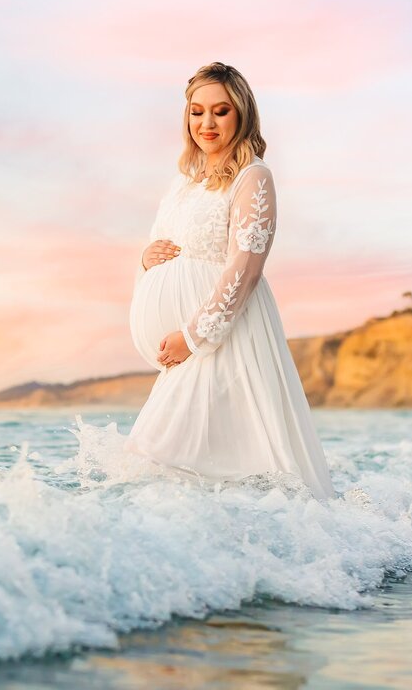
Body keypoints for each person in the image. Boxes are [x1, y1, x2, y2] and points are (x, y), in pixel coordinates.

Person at [125, 61, 337, 500]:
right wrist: (147, 260)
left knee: (170, 458)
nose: (207, 122)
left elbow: (245, 269)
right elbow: (165, 245)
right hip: (189, 351)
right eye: (196, 111)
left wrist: (194, 336)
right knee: (173, 466)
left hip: (224, 338)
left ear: (241, 114)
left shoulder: (253, 177)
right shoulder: (184, 181)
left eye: (220, 111)